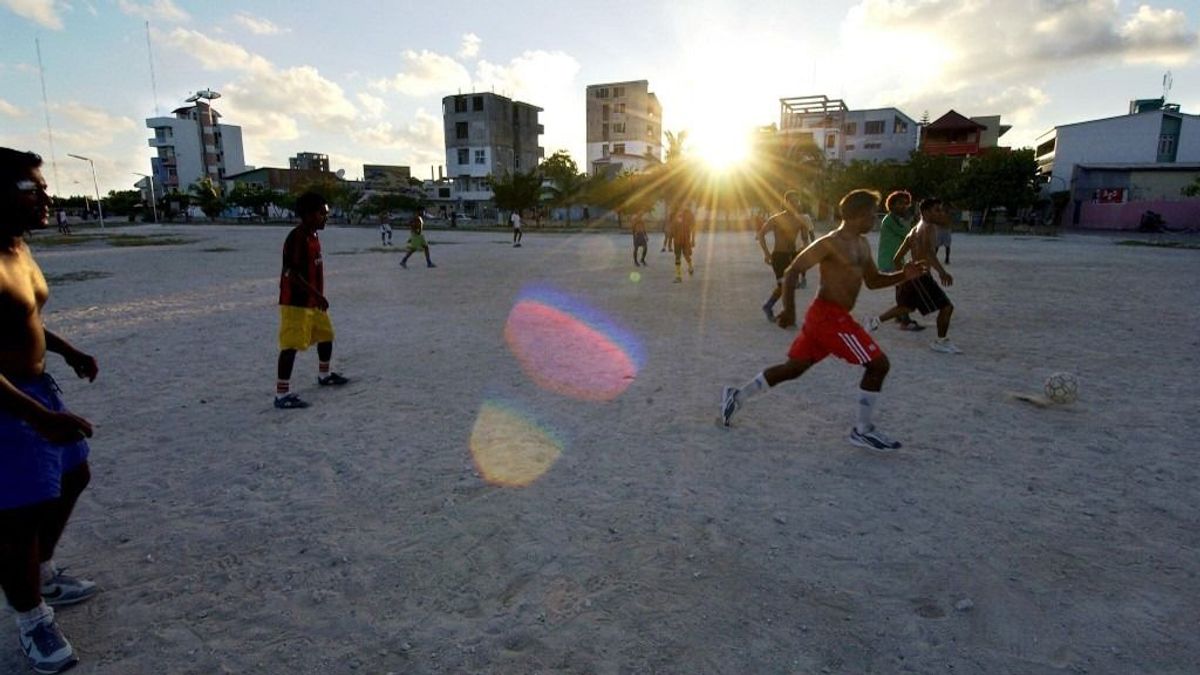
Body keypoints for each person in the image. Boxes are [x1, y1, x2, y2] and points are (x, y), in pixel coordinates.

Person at [720, 189, 926, 451]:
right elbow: (793, 270)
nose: (874, 219)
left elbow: (873, 282)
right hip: (829, 317)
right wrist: (790, 310)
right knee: (878, 365)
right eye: (872, 214)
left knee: (794, 368)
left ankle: (736, 397)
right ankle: (862, 431)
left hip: (830, 317)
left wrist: (903, 275)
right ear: (857, 215)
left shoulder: (862, 244)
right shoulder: (830, 242)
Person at [1, 147, 100, 674]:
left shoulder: (18, 248)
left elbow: (25, 320)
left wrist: (67, 350)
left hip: (37, 386)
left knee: (73, 474)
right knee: (17, 514)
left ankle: (40, 570)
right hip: (5, 398)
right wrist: (38, 417)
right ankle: (30, 618)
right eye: (30, 188)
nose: (47, 196)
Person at [274, 191, 349, 409]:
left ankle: (324, 375)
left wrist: (317, 296)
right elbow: (291, 273)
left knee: (326, 335)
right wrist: (316, 295)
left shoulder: (313, 236)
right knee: (290, 345)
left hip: (313, 301)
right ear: (307, 214)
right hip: (296, 302)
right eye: (321, 214)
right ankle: (282, 394)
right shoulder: (297, 237)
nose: (326, 217)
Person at [878, 197, 960, 353]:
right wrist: (942, 272)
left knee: (906, 307)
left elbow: (897, 258)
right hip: (921, 276)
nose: (940, 213)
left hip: (912, 276)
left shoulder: (914, 229)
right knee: (947, 307)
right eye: (937, 210)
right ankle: (941, 341)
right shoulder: (928, 228)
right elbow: (929, 253)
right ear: (926, 212)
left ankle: (874, 321)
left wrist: (903, 275)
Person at [757, 190, 815, 321]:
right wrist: (766, 254)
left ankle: (780, 311)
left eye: (797, 201)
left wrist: (806, 252)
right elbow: (761, 234)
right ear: (785, 202)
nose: (795, 203)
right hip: (778, 256)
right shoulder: (776, 219)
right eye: (792, 201)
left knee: (789, 285)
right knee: (783, 285)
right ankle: (770, 306)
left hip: (793, 255)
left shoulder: (801, 220)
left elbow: (805, 239)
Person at [874, 191, 923, 331]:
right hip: (890, 261)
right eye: (900, 203)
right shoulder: (889, 220)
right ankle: (905, 321)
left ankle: (901, 316)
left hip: (896, 260)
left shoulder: (896, 220)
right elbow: (908, 235)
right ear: (892, 205)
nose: (903, 206)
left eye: (905, 203)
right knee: (905, 288)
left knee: (901, 288)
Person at [672, 206, 696, 283]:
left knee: (683, 256)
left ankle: (684, 272)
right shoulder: (680, 219)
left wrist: (693, 240)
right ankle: (682, 274)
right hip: (681, 240)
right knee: (681, 256)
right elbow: (674, 229)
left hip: (682, 240)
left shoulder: (687, 219)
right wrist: (692, 240)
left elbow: (693, 229)